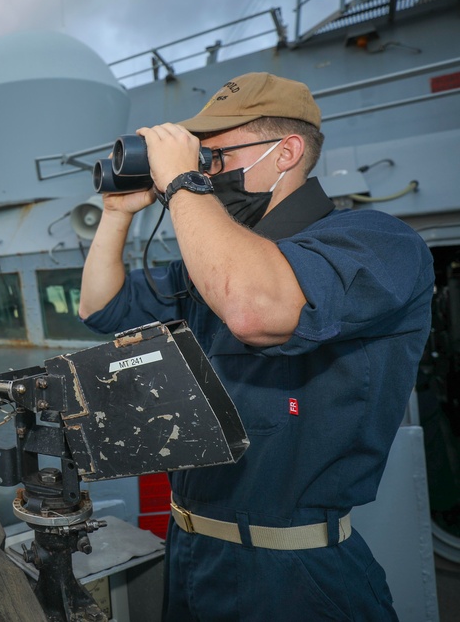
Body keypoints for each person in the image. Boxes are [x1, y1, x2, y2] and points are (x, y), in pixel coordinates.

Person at [78, 72, 433, 621]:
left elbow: (255, 311)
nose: (201, 171)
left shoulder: (377, 242)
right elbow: (101, 308)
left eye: (213, 158)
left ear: (285, 152)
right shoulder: (213, 267)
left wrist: (181, 184)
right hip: (193, 554)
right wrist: (118, 213)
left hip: (293, 576)